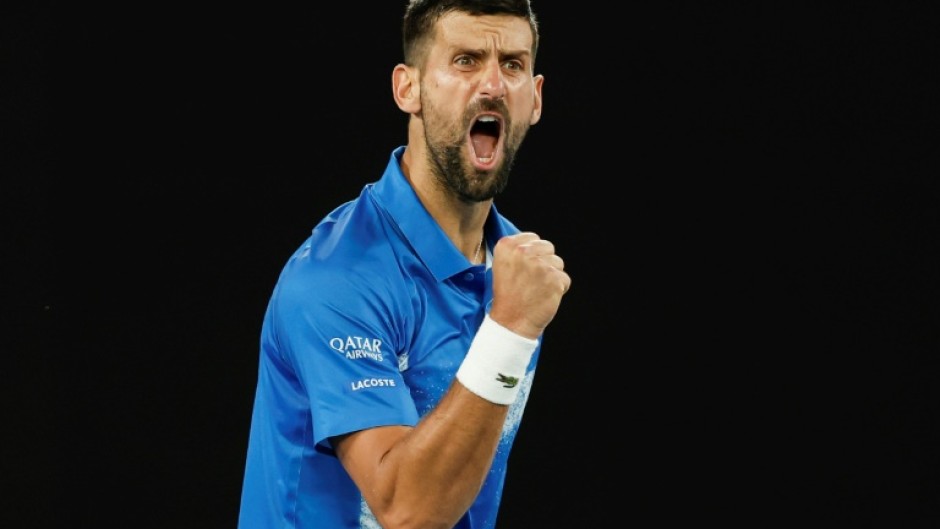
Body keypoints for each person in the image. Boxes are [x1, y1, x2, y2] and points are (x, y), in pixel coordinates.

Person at [237, 1, 571, 527]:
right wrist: (508, 331)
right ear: (406, 88)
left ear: (535, 98)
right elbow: (409, 511)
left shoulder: (514, 272)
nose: (492, 85)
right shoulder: (334, 281)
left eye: (512, 64)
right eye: (465, 60)